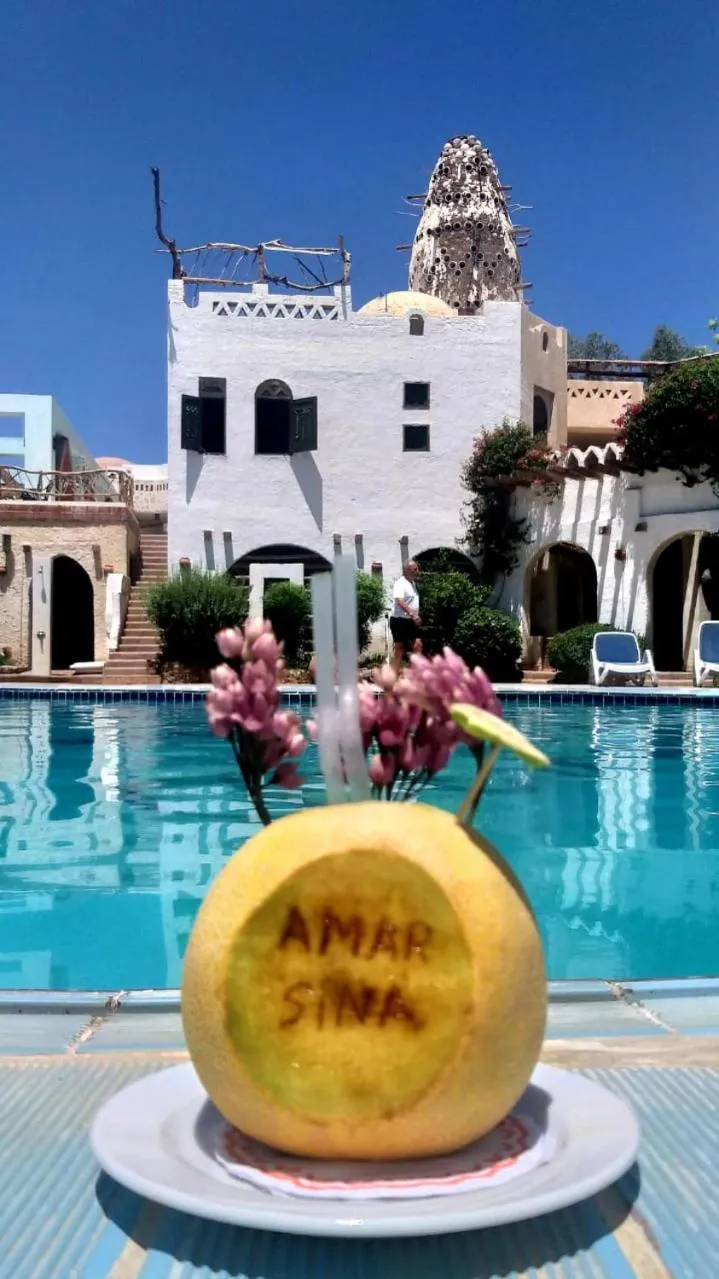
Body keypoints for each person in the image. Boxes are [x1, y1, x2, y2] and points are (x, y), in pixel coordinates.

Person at [389, 560, 421, 672]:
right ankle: (390, 680)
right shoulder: (400, 583)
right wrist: (413, 614)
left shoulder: (412, 583)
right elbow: (400, 601)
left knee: (417, 646)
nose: (418, 571)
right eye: (415, 569)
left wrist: (415, 616)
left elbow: (411, 601)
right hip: (399, 620)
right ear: (407, 570)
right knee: (399, 650)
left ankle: (409, 676)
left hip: (410, 620)